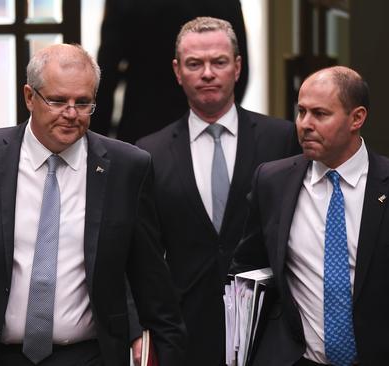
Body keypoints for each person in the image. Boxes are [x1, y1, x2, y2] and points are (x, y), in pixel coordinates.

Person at [0, 43, 187, 366]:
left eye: (83, 103)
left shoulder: (126, 168)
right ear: (29, 97)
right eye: (57, 101)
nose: (70, 114)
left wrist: (165, 347)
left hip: (87, 355)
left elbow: (151, 280)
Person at [230, 66, 389, 366]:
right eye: (301, 112)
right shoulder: (272, 181)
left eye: (320, 114)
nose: (304, 124)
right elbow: (248, 268)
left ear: (357, 118)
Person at [135, 17, 300, 366]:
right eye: (195, 64)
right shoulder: (150, 152)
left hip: (267, 329)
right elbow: (143, 255)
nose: (207, 73)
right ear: (178, 71)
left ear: (237, 67)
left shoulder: (281, 139)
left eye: (219, 62)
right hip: (185, 332)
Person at [90, 0, 249, 143]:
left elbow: (106, 74)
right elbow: (239, 72)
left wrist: (97, 139)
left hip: (143, 122)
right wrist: (222, 119)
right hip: (206, 125)